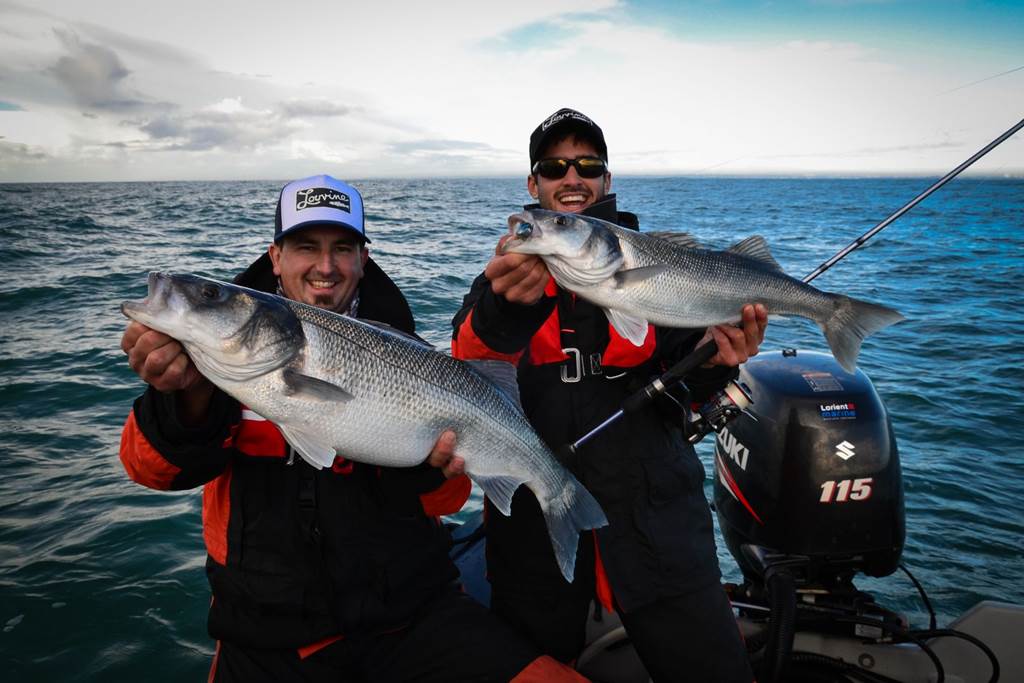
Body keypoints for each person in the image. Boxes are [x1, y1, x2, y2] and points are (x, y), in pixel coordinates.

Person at [119, 174, 586, 682]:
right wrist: (182, 398)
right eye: (305, 247)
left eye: (343, 248)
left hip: (412, 618)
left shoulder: (403, 346)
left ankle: (564, 500)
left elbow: (446, 503)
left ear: (363, 260)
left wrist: (428, 473)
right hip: (266, 641)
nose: (325, 266)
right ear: (275, 256)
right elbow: (152, 473)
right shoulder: (212, 363)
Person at [449, 110, 768, 682]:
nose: (572, 176)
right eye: (554, 166)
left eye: (587, 164)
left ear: (607, 179)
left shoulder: (660, 270)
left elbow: (686, 393)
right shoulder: (501, 276)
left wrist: (717, 361)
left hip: (657, 526)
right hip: (533, 530)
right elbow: (465, 374)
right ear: (533, 185)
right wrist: (503, 310)